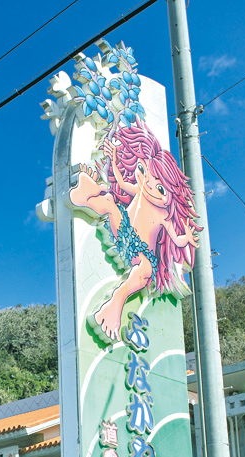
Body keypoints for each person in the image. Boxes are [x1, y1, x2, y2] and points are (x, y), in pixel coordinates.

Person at [69, 122, 200, 341]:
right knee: (110, 200)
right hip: (124, 233)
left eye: (160, 187)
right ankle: (87, 196)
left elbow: (175, 239)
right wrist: (112, 159)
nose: (149, 185)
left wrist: (186, 237)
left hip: (141, 253)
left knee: (145, 270)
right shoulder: (139, 189)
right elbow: (120, 181)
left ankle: (114, 305)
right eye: (144, 172)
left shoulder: (163, 214)